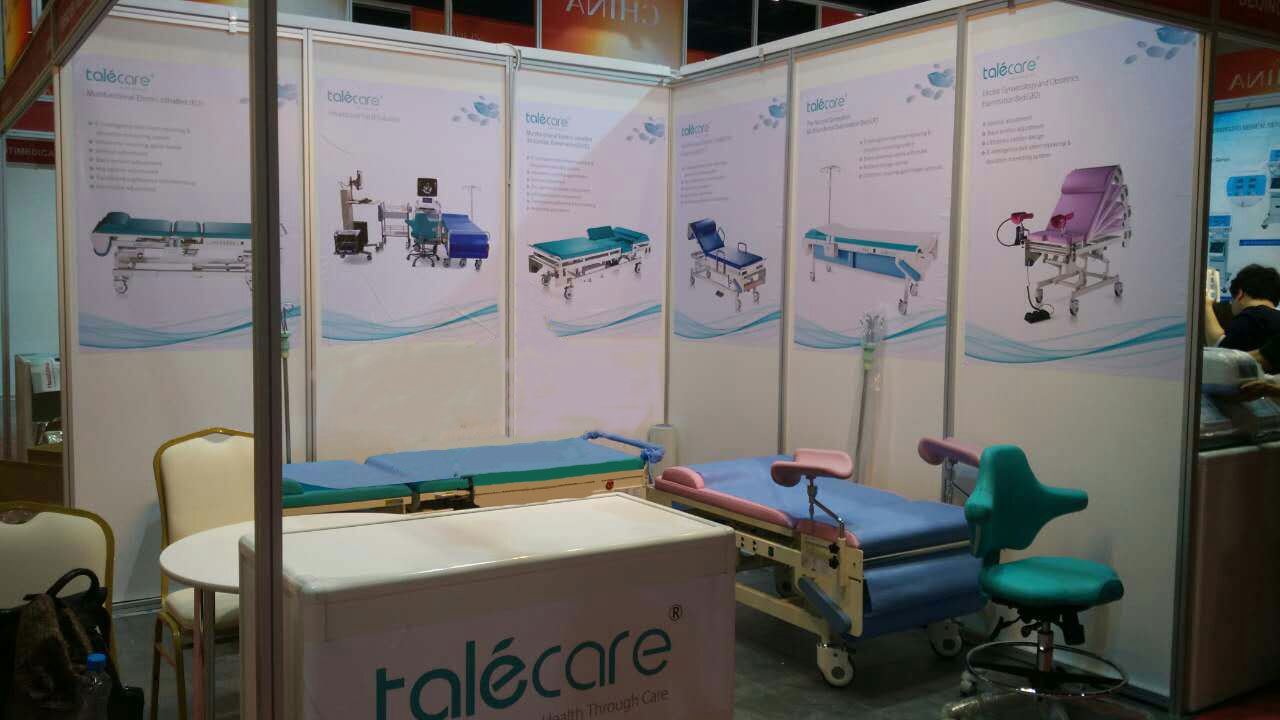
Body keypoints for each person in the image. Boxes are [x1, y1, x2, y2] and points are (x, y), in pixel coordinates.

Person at [1203, 264, 1280, 352]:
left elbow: (1222, 350)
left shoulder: (1250, 317)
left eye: (1232, 299)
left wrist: (1206, 305)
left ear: (1240, 294)